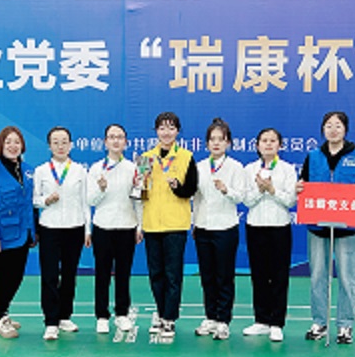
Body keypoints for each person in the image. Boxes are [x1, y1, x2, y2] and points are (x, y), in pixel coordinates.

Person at [296, 111, 355, 345]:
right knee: (317, 277)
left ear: (345, 130)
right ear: (323, 129)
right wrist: (299, 189)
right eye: (328, 125)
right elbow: (303, 185)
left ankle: (345, 325)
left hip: (348, 229)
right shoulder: (313, 156)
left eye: (338, 125)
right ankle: (320, 322)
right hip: (318, 228)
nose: (333, 129)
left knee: (347, 278)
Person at [141, 112, 198, 340]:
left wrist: (177, 187)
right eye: (162, 128)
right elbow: (139, 193)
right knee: (156, 274)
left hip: (176, 224)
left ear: (177, 131)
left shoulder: (186, 157)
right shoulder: (146, 157)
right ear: (156, 131)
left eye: (171, 128)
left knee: (173, 275)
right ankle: (160, 311)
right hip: (152, 223)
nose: (166, 132)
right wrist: (141, 181)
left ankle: (170, 318)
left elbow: (191, 190)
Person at [0, 126, 38, 339]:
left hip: (23, 234)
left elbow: (32, 204)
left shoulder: (28, 171)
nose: (13, 146)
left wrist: (35, 231)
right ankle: (2, 316)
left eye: (17, 142)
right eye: (8, 142)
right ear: (1, 146)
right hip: (1, 236)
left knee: (16, 276)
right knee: (0, 278)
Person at [33, 126, 91, 341]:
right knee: (49, 275)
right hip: (49, 228)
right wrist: (45, 201)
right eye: (56, 142)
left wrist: (87, 229)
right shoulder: (41, 171)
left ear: (71, 145)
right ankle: (50, 321)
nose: (60, 146)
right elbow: (34, 200)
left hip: (74, 228)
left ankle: (65, 316)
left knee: (69, 275)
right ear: (49, 146)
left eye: (64, 142)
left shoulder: (79, 170)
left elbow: (85, 202)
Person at [192, 118, 245, 341]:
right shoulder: (199, 167)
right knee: (207, 276)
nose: (216, 143)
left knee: (224, 276)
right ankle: (210, 317)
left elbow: (241, 197)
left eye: (220, 139)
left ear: (228, 143)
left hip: (225, 228)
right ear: (206, 143)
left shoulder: (236, 167)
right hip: (203, 227)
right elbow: (195, 198)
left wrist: (226, 190)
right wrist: (194, 223)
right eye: (212, 139)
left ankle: (223, 320)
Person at [242, 128, 297, 342]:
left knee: (279, 276)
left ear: (280, 145)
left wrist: (272, 190)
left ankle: (277, 323)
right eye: (264, 140)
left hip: (279, 227)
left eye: (273, 140)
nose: (268, 144)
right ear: (257, 145)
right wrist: (260, 189)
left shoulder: (287, 170)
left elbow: (291, 201)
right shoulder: (249, 169)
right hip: (255, 226)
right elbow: (246, 200)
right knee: (259, 275)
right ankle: (261, 320)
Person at [87, 123, 142, 334]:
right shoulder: (96, 168)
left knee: (123, 273)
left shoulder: (134, 168)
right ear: (105, 142)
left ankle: (121, 314)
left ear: (126, 142)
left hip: (127, 226)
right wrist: (101, 189)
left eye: (120, 137)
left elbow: (139, 200)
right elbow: (90, 200)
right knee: (102, 273)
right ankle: (102, 316)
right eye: (111, 137)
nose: (116, 140)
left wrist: (140, 225)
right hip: (103, 226)